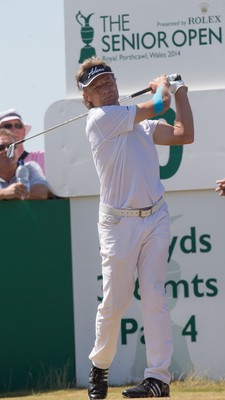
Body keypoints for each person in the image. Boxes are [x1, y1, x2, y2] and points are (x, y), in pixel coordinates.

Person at [75, 57, 194, 399]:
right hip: (118, 223)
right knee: (116, 300)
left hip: (155, 217)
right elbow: (158, 104)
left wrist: (181, 90)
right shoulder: (100, 119)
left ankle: (158, 379)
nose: (106, 87)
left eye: (108, 80)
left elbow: (185, 135)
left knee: (155, 295)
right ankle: (99, 367)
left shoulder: (139, 124)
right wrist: (164, 90)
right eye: (96, 87)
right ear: (89, 100)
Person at [0, 128, 48, 200]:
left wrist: (17, 193)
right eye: (1, 147)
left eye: (12, 146)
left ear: (17, 151)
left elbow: (42, 191)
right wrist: (3, 193)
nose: (7, 150)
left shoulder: (29, 168)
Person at [0, 109, 45, 173]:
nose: (14, 129)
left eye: (18, 126)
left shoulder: (42, 157)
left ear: (24, 131)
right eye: (7, 126)